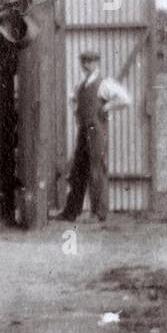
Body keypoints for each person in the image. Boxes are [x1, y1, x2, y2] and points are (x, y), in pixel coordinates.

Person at [55, 50, 131, 225]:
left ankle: (98, 213)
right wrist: (76, 108)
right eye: (83, 62)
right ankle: (71, 211)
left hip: (96, 131)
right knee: (77, 170)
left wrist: (107, 107)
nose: (86, 65)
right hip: (83, 130)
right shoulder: (80, 85)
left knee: (97, 169)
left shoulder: (104, 83)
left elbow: (125, 99)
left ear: (97, 63)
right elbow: (75, 100)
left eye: (89, 61)